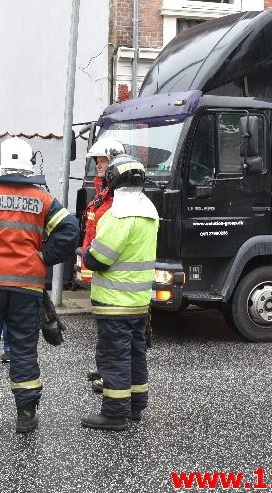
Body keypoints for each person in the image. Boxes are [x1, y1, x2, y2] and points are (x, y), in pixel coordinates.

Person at [0, 136, 79, 439]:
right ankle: (26, 416)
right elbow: (69, 229)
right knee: (23, 350)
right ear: (27, 164)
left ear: (1, 163)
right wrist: (46, 257)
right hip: (27, 286)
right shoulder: (43, 199)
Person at [80, 154, 158, 431]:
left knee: (114, 357)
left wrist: (85, 252)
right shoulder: (149, 211)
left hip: (114, 303)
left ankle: (114, 413)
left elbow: (99, 259)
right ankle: (135, 406)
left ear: (113, 180)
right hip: (139, 302)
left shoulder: (118, 215)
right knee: (136, 354)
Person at [78, 138, 124, 393]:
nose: (98, 165)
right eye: (97, 161)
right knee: (104, 327)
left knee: (113, 330)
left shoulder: (117, 195)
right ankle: (106, 368)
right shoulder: (103, 191)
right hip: (99, 267)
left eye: (103, 161)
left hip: (111, 272)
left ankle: (111, 376)